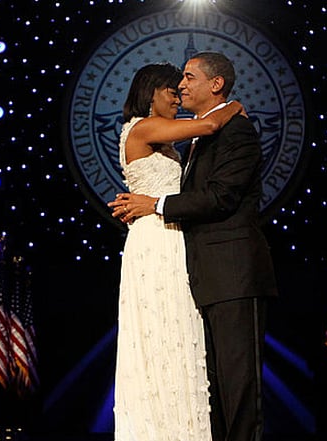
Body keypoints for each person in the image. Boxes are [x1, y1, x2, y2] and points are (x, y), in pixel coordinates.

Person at [109, 51, 278, 441]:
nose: (180, 90)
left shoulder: (233, 133)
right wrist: (232, 106)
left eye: (186, 80)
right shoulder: (160, 128)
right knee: (174, 354)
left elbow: (220, 196)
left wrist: (154, 203)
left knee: (222, 377)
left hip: (222, 268)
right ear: (151, 93)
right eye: (174, 86)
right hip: (168, 250)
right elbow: (207, 126)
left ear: (214, 83)